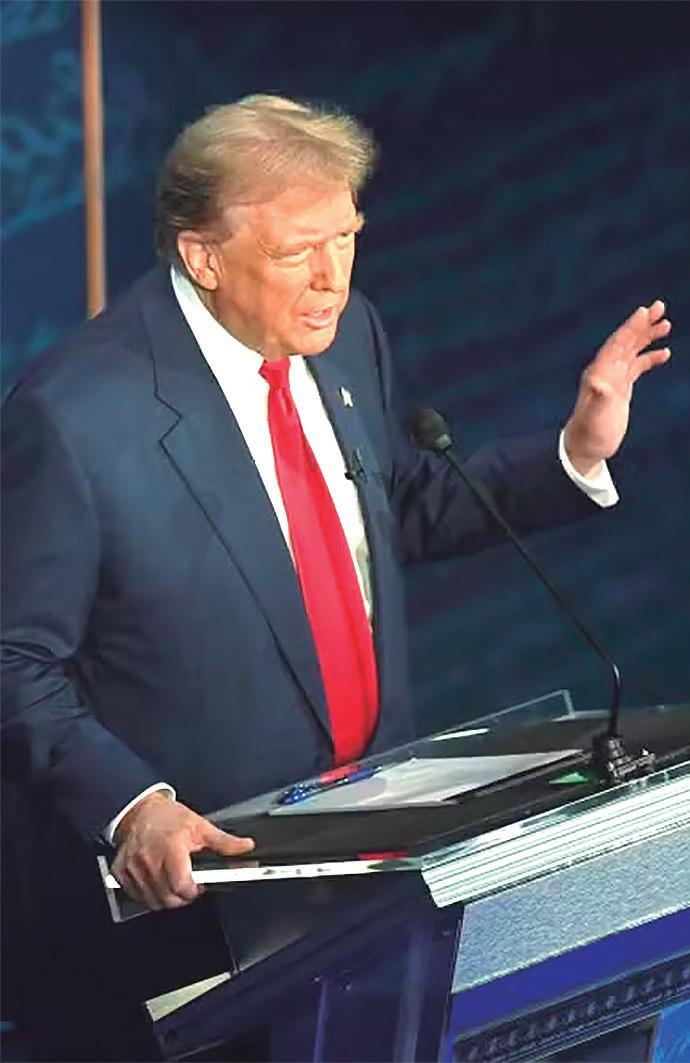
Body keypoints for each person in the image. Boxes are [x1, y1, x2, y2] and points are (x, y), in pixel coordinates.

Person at [1, 94, 671, 1055]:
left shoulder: (347, 333)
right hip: (194, 919)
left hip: (369, 881)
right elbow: (15, 657)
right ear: (202, 256)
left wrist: (573, 452)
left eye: (347, 237)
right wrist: (132, 806)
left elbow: (387, 508)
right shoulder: (75, 415)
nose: (331, 277)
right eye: (296, 251)